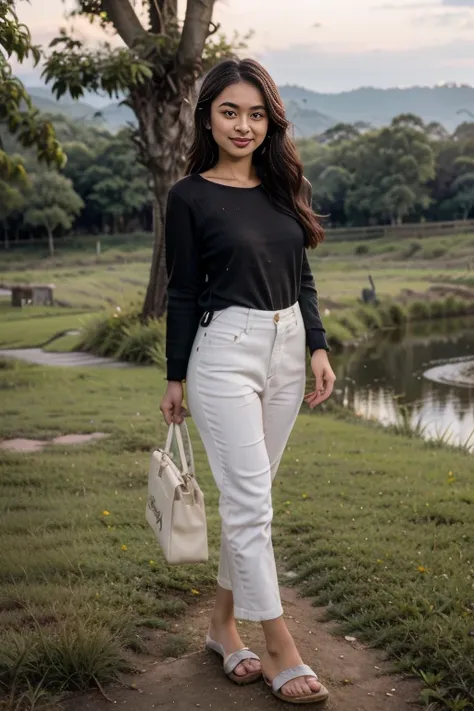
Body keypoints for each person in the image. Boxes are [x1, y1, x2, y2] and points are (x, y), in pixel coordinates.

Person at [160, 57, 336, 705]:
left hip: (289, 346)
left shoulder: (284, 183)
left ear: (271, 120)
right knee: (251, 505)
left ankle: (219, 626)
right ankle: (281, 647)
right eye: (230, 111)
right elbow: (181, 292)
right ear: (208, 114)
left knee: (252, 500)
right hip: (223, 352)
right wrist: (174, 376)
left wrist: (317, 344)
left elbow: (303, 272)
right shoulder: (188, 196)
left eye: (256, 113)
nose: (244, 125)